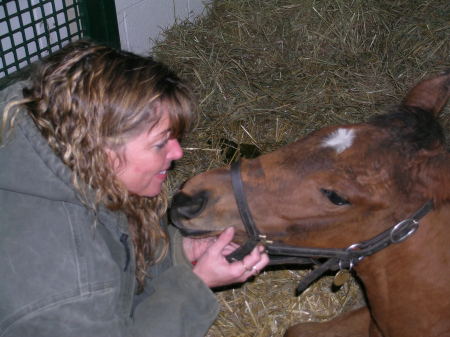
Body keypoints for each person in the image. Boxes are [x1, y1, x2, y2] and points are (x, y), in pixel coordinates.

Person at [0, 39, 269, 337]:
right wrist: (196, 285)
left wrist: (180, 250)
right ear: (96, 147)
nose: (178, 153)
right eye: (159, 144)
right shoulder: (70, 283)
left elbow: (117, 245)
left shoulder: (61, 164)